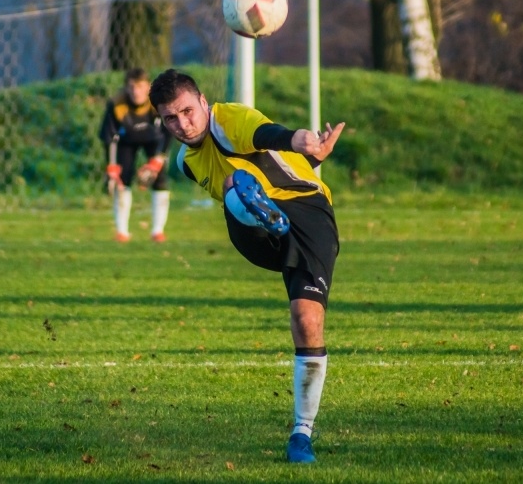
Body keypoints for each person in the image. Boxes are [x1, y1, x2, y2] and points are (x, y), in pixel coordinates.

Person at [148, 69, 345, 463]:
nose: (182, 125)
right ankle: (258, 211)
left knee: (307, 320)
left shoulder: (229, 119)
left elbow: (268, 134)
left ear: (203, 102)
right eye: (171, 118)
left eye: (187, 111)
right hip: (255, 235)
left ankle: (301, 434)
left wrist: (302, 142)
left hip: (307, 214)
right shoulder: (187, 162)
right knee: (233, 184)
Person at [99, 68, 172, 242]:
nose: (136, 91)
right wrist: (111, 165)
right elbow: (108, 136)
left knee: (159, 179)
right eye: (131, 86)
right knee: (122, 181)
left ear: (148, 87)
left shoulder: (157, 102)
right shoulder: (117, 104)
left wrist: (159, 157)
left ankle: (157, 231)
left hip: (153, 140)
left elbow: (169, 129)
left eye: (140, 86)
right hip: (126, 141)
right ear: (126, 87)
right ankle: (122, 231)